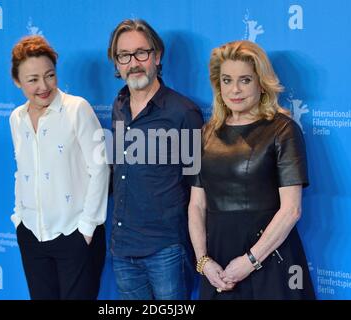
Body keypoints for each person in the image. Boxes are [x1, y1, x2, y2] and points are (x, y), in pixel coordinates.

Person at [188, 40, 315, 300]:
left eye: (244, 80)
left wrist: (250, 261)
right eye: (226, 80)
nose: (234, 89)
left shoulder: (283, 130)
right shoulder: (204, 134)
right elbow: (196, 206)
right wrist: (204, 262)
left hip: (271, 260)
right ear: (217, 84)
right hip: (218, 266)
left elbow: (291, 210)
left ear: (261, 82)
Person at [107, 19, 204, 299]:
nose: (133, 63)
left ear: (157, 56)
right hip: (123, 248)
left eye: (141, 53)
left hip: (166, 250)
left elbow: (197, 186)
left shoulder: (183, 112)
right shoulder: (119, 106)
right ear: (117, 63)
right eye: (123, 56)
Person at [9, 35, 109, 300]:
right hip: (31, 234)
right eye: (32, 80)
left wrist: (87, 228)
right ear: (17, 81)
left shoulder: (77, 109)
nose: (43, 86)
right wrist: (19, 218)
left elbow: (100, 169)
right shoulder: (16, 118)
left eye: (49, 75)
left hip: (74, 234)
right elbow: (22, 170)